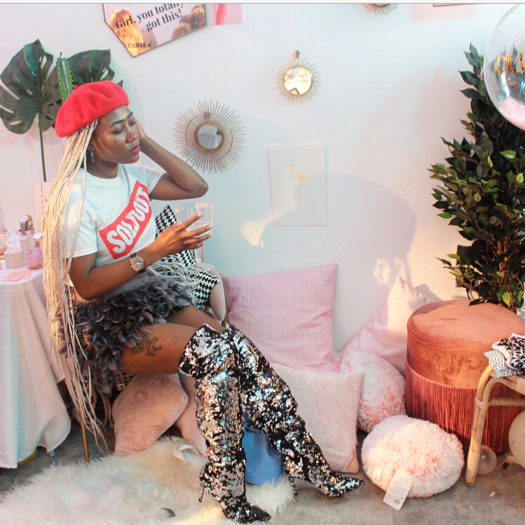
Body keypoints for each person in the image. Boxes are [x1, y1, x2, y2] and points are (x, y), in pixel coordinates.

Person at [44, 81, 363, 523]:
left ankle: (307, 462)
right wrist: (156, 250)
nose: (131, 133)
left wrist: (141, 142)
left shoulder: (130, 174)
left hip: (146, 295)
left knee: (235, 346)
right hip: (106, 321)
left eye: (132, 122)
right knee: (212, 353)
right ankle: (228, 488)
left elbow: (195, 184)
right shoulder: (76, 200)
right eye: (117, 129)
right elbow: (85, 285)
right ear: (90, 143)